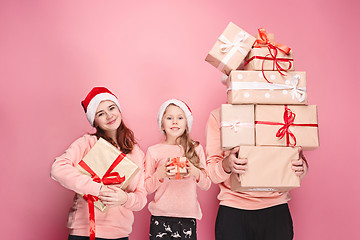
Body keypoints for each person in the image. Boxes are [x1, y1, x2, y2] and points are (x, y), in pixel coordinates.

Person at [51, 87, 147, 240]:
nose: (109, 115)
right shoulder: (88, 143)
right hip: (85, 232)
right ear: (94, 120)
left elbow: (141, 197)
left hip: (120, 235)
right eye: (101, 113)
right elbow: (58, 169)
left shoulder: (136, 153)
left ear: (119, 109)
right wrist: (97, 188)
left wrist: (125, 199)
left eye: (111, 108)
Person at [206, 107, 308, 240]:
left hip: (275, 209)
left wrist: (302, 167)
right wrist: (227, 164)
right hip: (233, 211)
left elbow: (297, 160)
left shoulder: (283, 112)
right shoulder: (219, 116)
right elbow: (212, 174)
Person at [144, 99, 211, 240]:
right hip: (160, 217)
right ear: (162, 124)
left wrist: (195, 172)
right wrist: (160, 174)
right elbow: (147, 188)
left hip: (187, 217)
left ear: (187, 123)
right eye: (169, 118)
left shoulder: (196, 148)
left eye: (180, 118)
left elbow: (207, 184)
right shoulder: (153, 151)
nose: (175, 122)